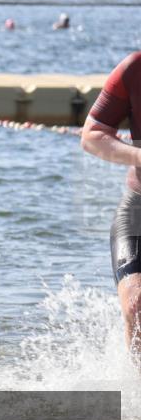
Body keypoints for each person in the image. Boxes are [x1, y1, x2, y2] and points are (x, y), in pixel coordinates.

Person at [80, 51, 141, 367]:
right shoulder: (135, 68)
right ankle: (136, 398)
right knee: (136, 304)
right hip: (137, 210)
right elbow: (92, 136)